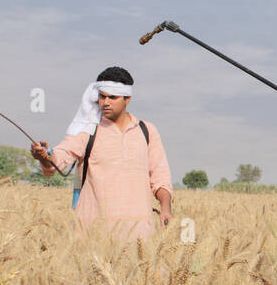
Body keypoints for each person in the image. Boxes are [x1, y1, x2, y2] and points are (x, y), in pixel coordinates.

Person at [31, 66, 173, 242]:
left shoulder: (147, 131)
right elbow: (60, 157)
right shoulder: (87, 130)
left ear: (127, 98)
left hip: (140, 235)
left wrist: (166, 208)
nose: (105, 102)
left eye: (112, 97)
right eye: (102, 96)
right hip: (93, 235)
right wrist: (45, 156)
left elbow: (160, 175)